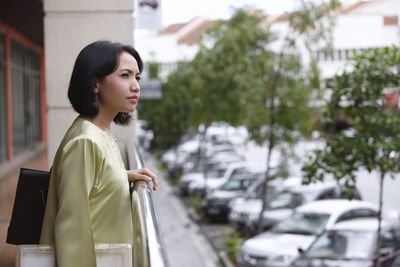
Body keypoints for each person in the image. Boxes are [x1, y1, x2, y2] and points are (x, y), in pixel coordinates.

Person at [39, 40, 158, 267]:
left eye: (137, 77)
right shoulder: (85, 140)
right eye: (125, 75)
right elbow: (71, 231)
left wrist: (125, 175)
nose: (135, 86)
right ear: (95, 83)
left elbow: (94, 187)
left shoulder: (101, 131)